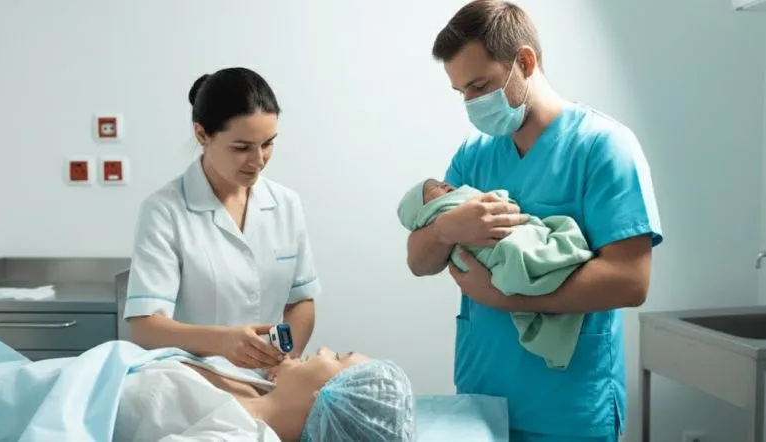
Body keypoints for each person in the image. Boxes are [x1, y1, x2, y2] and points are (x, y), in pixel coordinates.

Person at [407, 1, 663, 441]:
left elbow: (630, 280)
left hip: (568, 405)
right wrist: (448, 229)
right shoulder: (475, 156)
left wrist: (505, 296)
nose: (470, 103)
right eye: (461, 92)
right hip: (481, 397)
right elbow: (420, 260)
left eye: (479, 85)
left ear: (524, 62)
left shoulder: (604, 148)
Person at [124, 67, 321, 370]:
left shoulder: (285, 204)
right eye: (242, 148)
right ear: (202, 134)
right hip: (195, 383)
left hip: (268, 382)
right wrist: (223, 342)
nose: (258, 161)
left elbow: (301, 301)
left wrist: (285, 360)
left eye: (268, 144)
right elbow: (145, 327)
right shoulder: (165, 211)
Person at [397, 178, 593, 369]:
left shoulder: (597, 152)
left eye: (440, 183)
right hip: (483, 364)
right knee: (513, 256)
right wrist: (443, 229)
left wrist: (500, 299)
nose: (445, 185)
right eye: (435, 188)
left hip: (578, 377)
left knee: (518, 252)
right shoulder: (469, 159)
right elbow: (417, 263)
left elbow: (622, 281)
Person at [113, 346, 415, 441]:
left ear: (330, 399)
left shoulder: (235, 436)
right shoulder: (260, 386)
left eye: (336, 357)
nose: (322, 349)